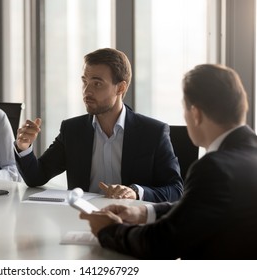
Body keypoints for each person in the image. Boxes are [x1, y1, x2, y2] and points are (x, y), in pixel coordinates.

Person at [80, 64, 257, 259]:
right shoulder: (248, 155)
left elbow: (161, 243)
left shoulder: (214, 167)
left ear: (196, 114)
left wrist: (110, 230)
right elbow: (201, 207)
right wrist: (144, 213)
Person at [15, 48, 182, 202]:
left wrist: (136, 192)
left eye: (97, 83)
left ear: (120, 88)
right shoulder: (72, 130)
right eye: (84, 82)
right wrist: (24, 146)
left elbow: (175, 190)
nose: (87, 91)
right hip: (81, 221)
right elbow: (37, 177)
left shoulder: (153, 132)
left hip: (130, 224)